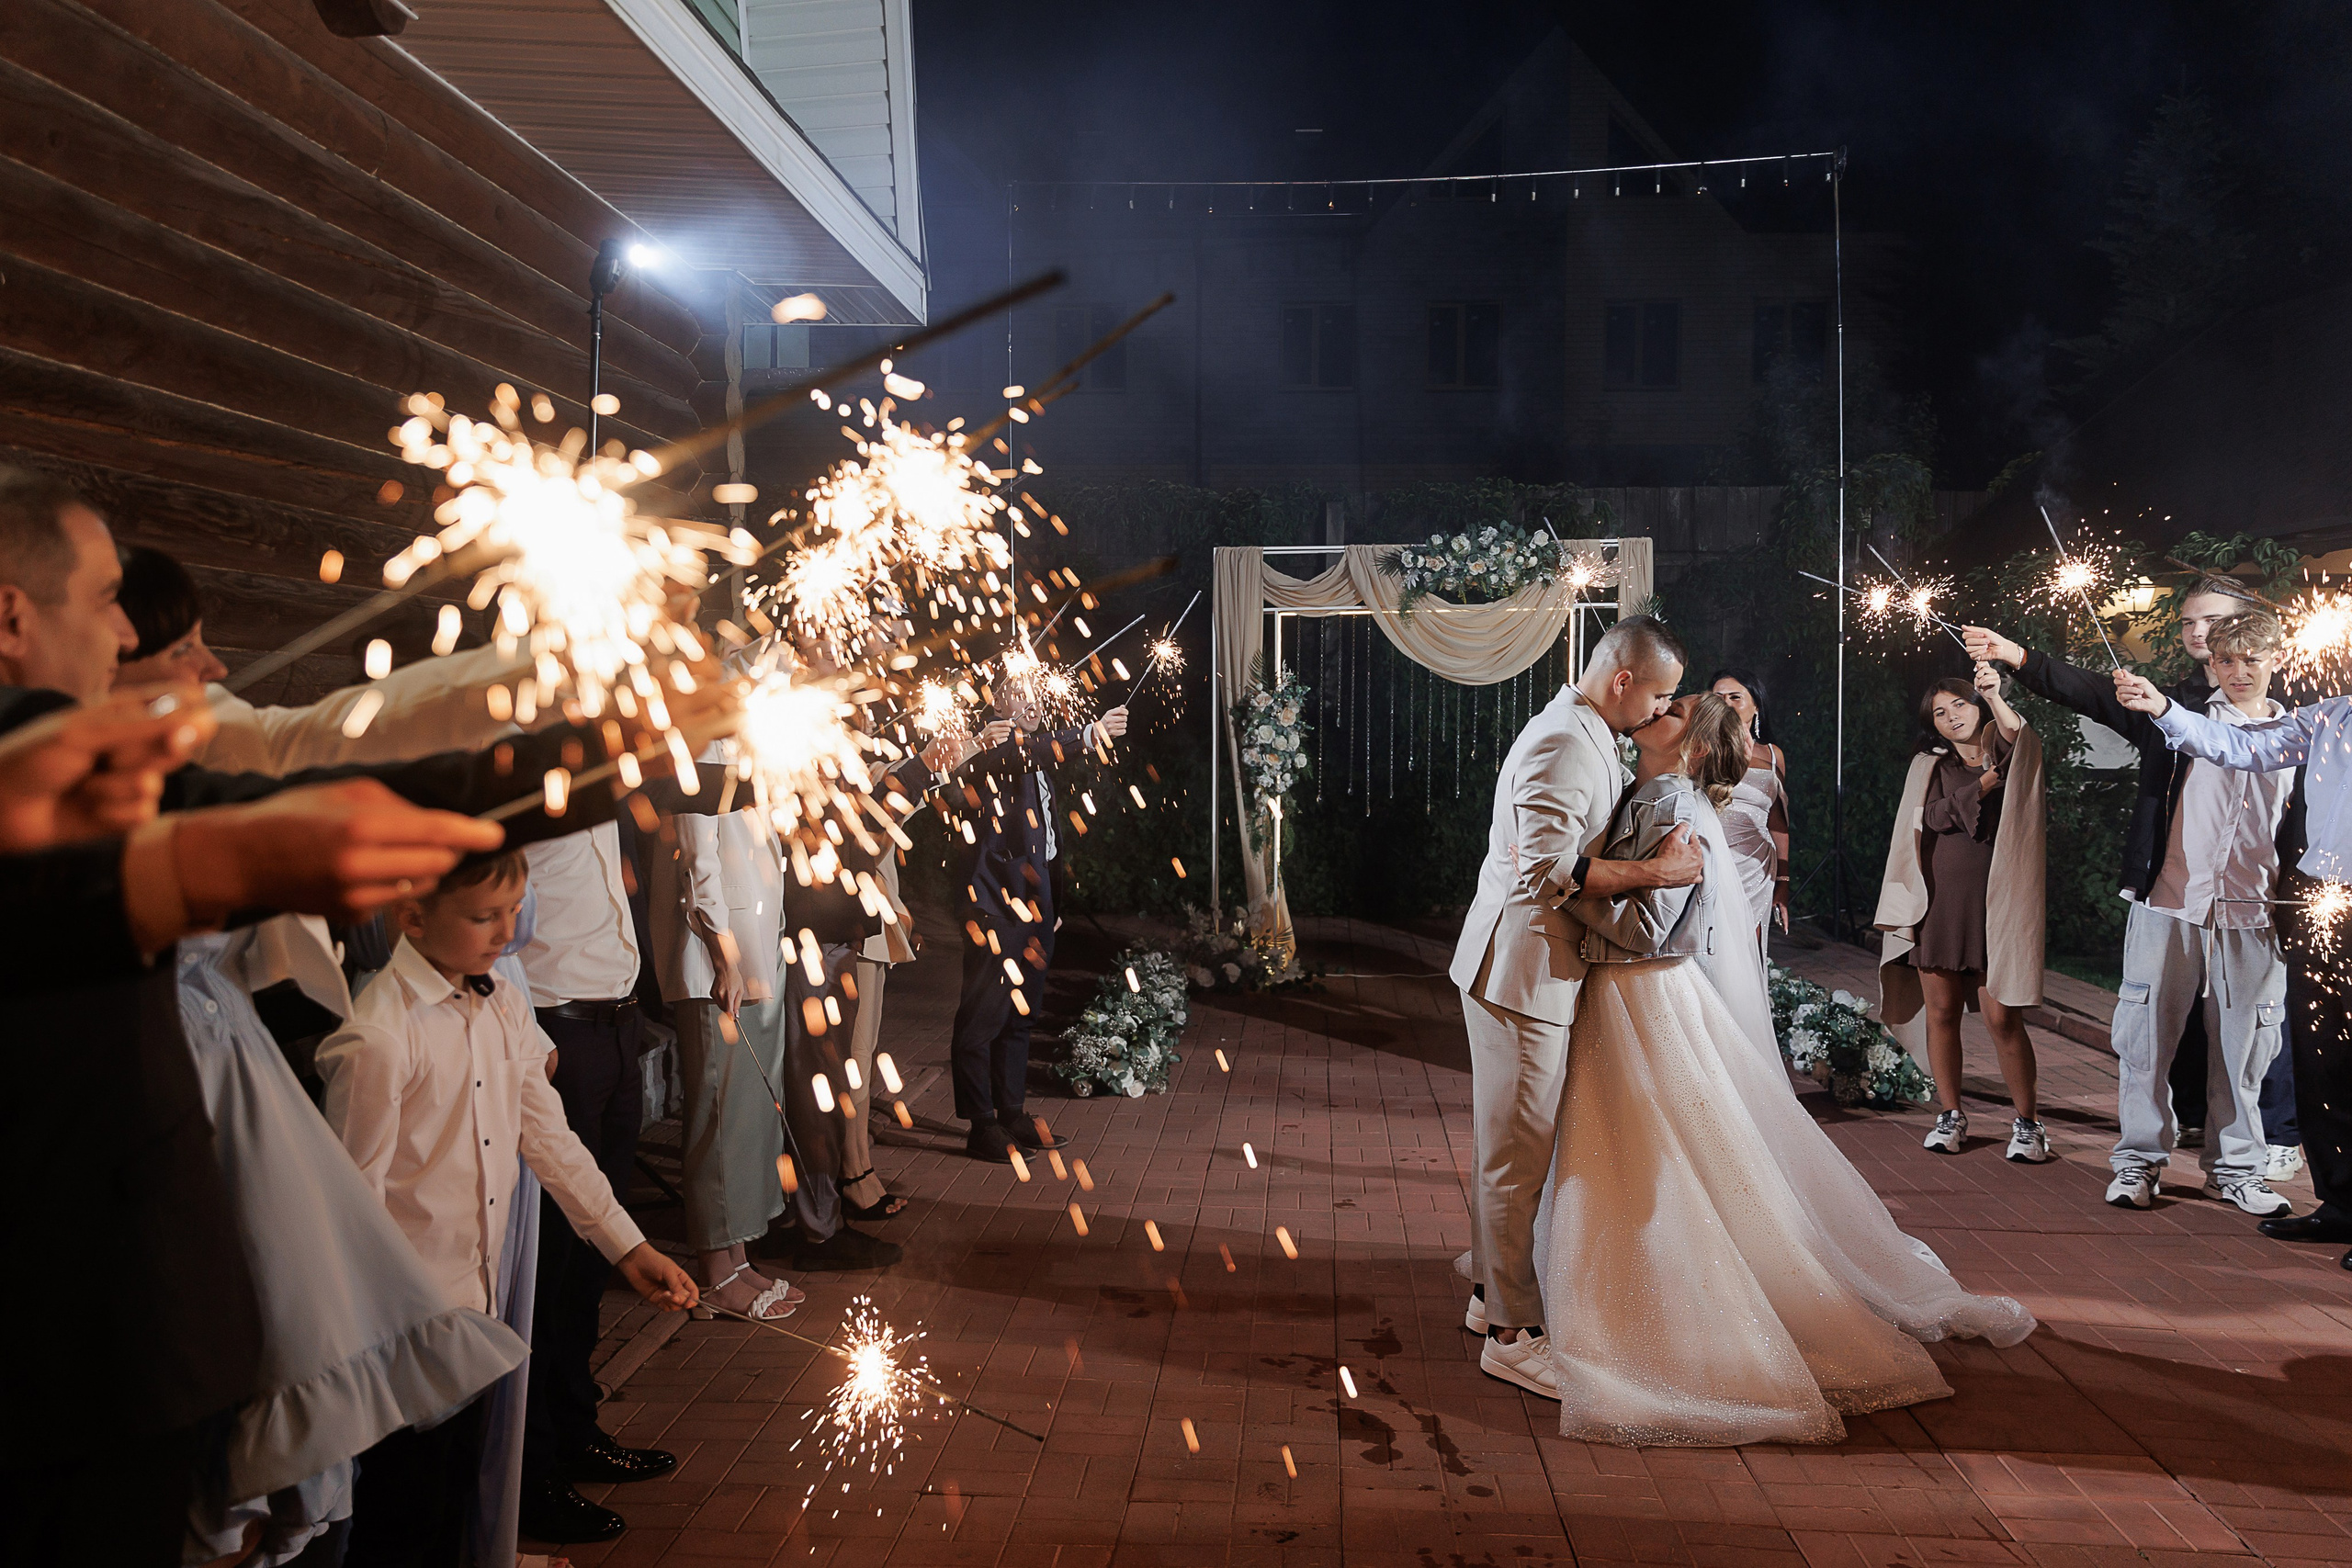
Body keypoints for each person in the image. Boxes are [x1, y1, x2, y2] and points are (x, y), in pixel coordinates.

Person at [1538, 692, 2034, 1445]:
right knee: (1648, 1139)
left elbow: (1652, 928)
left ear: (1693, 751)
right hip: (1639, 995)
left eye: (1675, 713)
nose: (1658, 713)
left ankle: (1642, 1301)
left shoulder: (1670, 802)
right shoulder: (1651, 787)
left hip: (1638, 989)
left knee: (1658, 1145)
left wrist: (1565, 888)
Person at [318, 851, 698, 1566]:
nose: (506, 930)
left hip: (478, 1317)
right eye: (483, 915)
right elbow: (349, 1212)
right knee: (401, 1521)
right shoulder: (378, 1038)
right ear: (412, 915)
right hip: (404, 1336)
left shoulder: (502, 1001)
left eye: (514, 910)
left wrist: (627, 1244)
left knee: (461, 1496)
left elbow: (548, 1137)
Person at [1446, 615, 1704, 1398]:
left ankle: (1492, 1295)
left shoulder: (1584, 728)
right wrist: (1658, 877)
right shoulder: (1563, 739)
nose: (1662, 712)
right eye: (1658, 695)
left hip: (1531, 968)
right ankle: (1512, 1336)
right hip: (1523, 973)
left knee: (1514, 1149)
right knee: (1515, 1155)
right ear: (1622, 679)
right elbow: (1546, 873)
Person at [1963, 573, 2296, 1171]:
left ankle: (2259, 1150)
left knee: (2252, 1036)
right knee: (2149, 1030)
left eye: (2221, 629)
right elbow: (2090, 691)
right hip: (2170, 898)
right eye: (2196, 626)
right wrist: (2016, 655)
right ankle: (2143, 1155)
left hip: (2254, 907)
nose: (2206, 637)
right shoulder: (2167, 706)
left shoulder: (2295, 723)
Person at [2114, 660, 2352, 1270]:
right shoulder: (2325, 717)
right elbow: (2234, 745)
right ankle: (2343, 1204)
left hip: (2301, 904)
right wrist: (2165, 710)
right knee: (2324, 1062)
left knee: (2290, 1052)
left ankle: (2270, 1178)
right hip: (2318, 906)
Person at [943, 667, 1129, 1163]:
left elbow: (1046, 841)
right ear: (998, 703)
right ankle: (981, 1123)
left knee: (1022, 1011)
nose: (1034, 703)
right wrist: (1090, 734)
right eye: (1020, 695)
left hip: (1037, 907)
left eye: (1039, 695)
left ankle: (1011, 1112)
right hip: (993, 907)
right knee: (983, 1014)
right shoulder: (989, 751)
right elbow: (1026, 753)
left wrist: (1054, 907)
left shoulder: (1035, 751)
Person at [643, 765, 806, 1316]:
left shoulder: (759, 724)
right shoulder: (705, 732)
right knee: (719, 1108)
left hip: (760, 940)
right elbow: (696, 849)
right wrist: (722, 949)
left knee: (748, 1113)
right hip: (718, 957)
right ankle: (716, 1269)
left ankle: (737, 1253)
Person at [1875, 666, 2051, 1163]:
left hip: (1998, 909)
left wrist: (1996, 699)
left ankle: (2029, 1124)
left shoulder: (2016, 760)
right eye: (1939, 712)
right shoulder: (1930, 767)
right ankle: (1949, 1114)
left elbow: (2019, 739)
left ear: (1980, 705)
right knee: (1943, 1013)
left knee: (2002, 1018)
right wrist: (1980, 787)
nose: (1951, 716)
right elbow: (1928, 818)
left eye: (1960, 704)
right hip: (1940, 907)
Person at [1708, 666, 1791, 953]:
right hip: (1712, 861)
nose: (1726, 704)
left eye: (1735, 697)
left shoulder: (1772, 755)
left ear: (1755, 705)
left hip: (1756, 866)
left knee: (1748, 950)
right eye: (1718, 697)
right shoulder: (1700, 748)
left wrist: (1783, 881)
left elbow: (1778, 822)